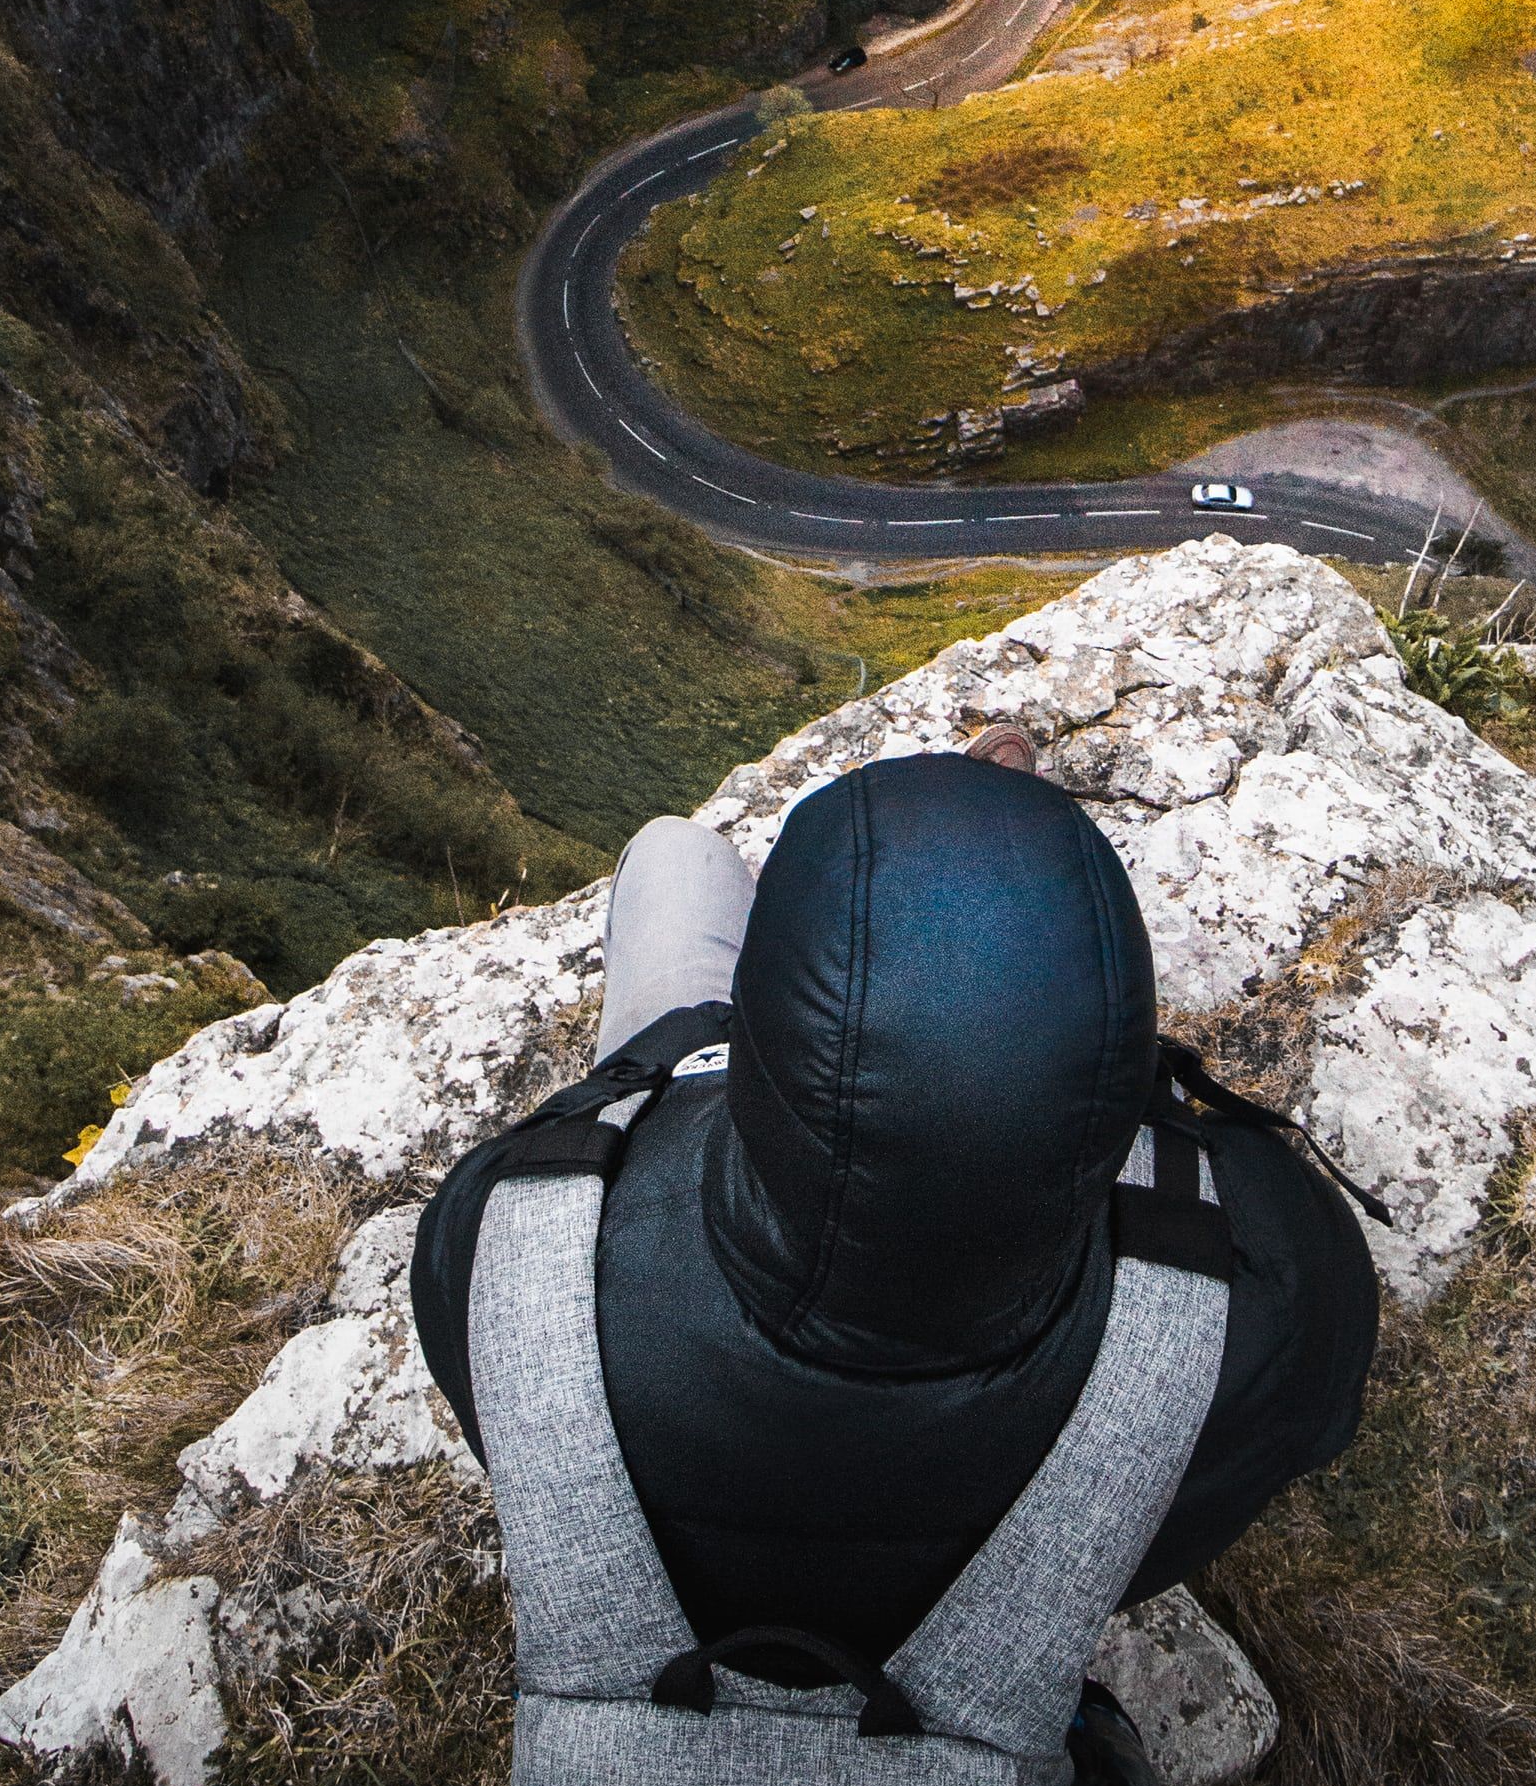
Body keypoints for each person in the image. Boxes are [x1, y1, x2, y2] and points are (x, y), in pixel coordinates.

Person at [412, 726, 1378, 1702]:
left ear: (759, 1037)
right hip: (1001, 1608)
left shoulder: (502, 1246)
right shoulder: (1282, 1300)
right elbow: (1300, 1416)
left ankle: (897, 899)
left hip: (667, 1562)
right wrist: (1029, 1009)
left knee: (675, 853)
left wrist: (735, 1050)